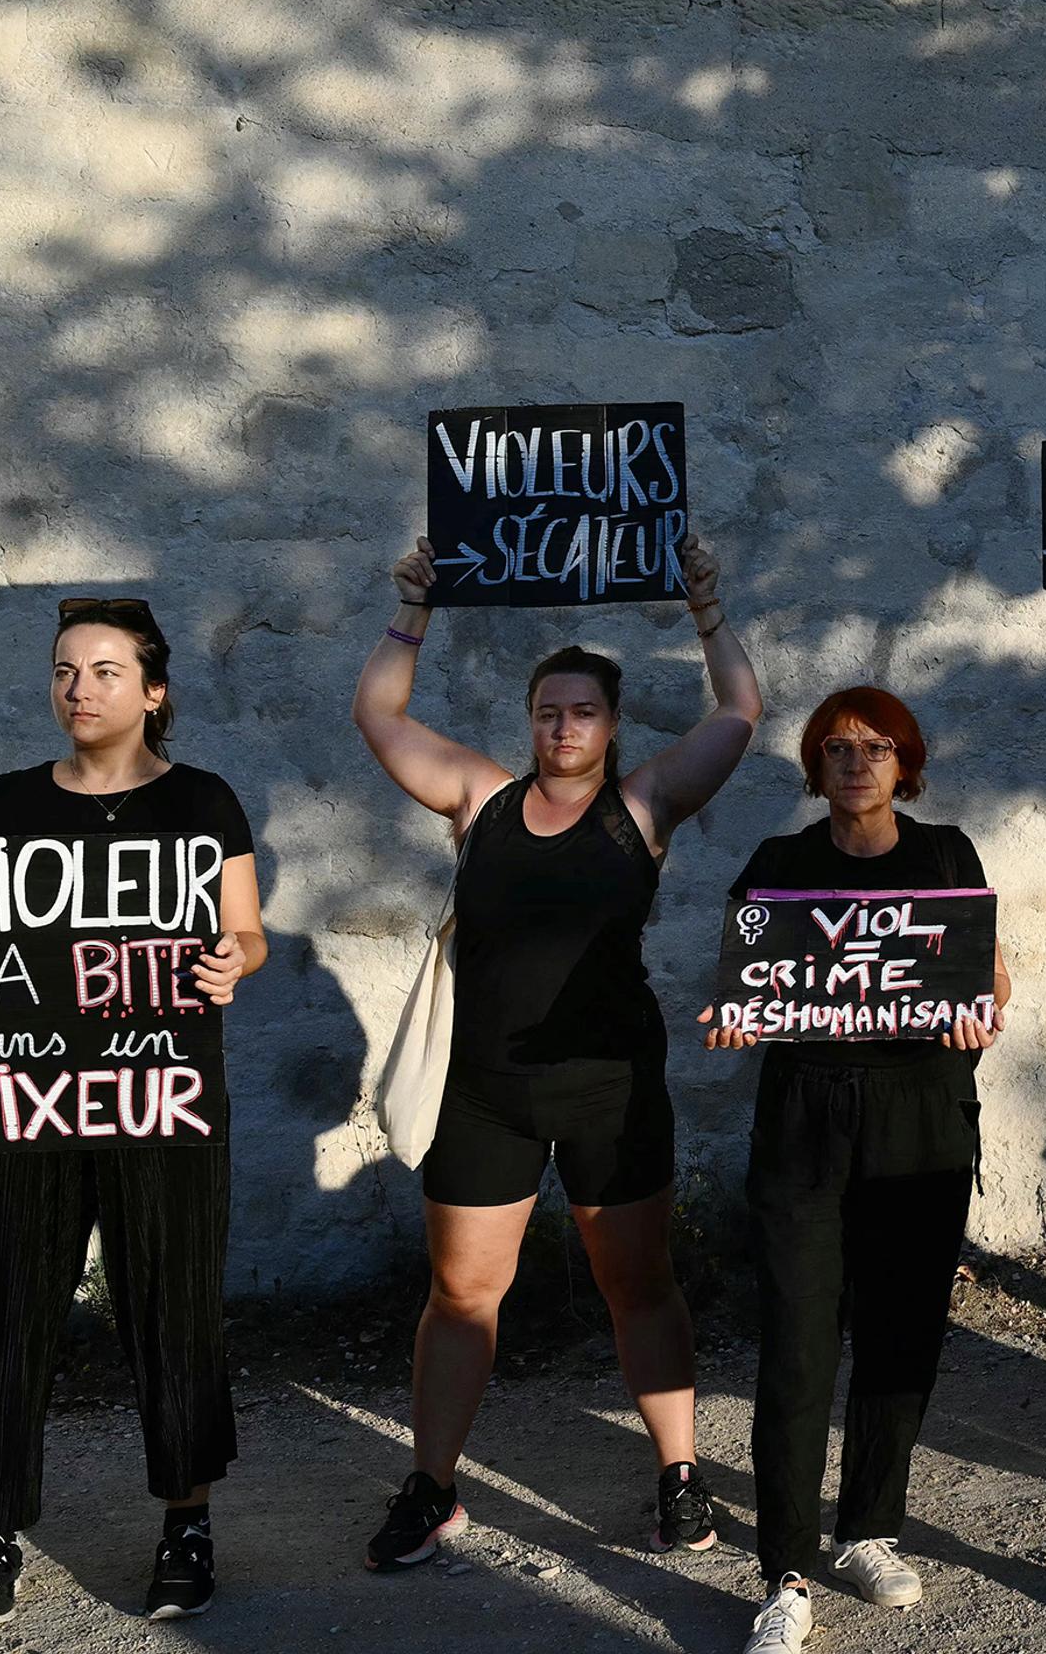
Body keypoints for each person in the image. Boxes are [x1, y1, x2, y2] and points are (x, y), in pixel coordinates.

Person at [349, 535, 761, 1570]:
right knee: (461, 1295)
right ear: (529, 722)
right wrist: (414, 610)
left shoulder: (643, 806)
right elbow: (380, 716)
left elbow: (739, 713)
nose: (563, 724)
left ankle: (677, 1473)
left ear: (612, 726)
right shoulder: (480, 799)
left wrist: (707, 609)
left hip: (611, 1093)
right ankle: (433, 1487)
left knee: (641, 1286)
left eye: (583, 710)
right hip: (487, 1096)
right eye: (548, 709)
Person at [0, 597, 266, 1629]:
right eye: (66, 670)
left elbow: (248, 934)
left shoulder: (204, 803)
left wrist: (234, 960)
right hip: (30, 1105)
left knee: (174, 1305)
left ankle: (185, 1526)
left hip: (163, 1094)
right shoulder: (7, 805)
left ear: (154, 691)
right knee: (12, 1312)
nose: (80, 689)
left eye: (105, 671)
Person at [702, 685, 1013, 1654]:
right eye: (837, 748)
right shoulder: (779, 865)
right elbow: (747, 979)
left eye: (876, 746)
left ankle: (869, 1527)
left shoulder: (944, 854)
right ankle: (787, 1570)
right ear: (815, 765)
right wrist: (736, 1017)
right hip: (805, 1113)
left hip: (920, 1110)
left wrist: (983, 1017)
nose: (857, 762)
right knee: (797, 1341)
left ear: (906, 762)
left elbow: (988, 976)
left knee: (900, 1334)